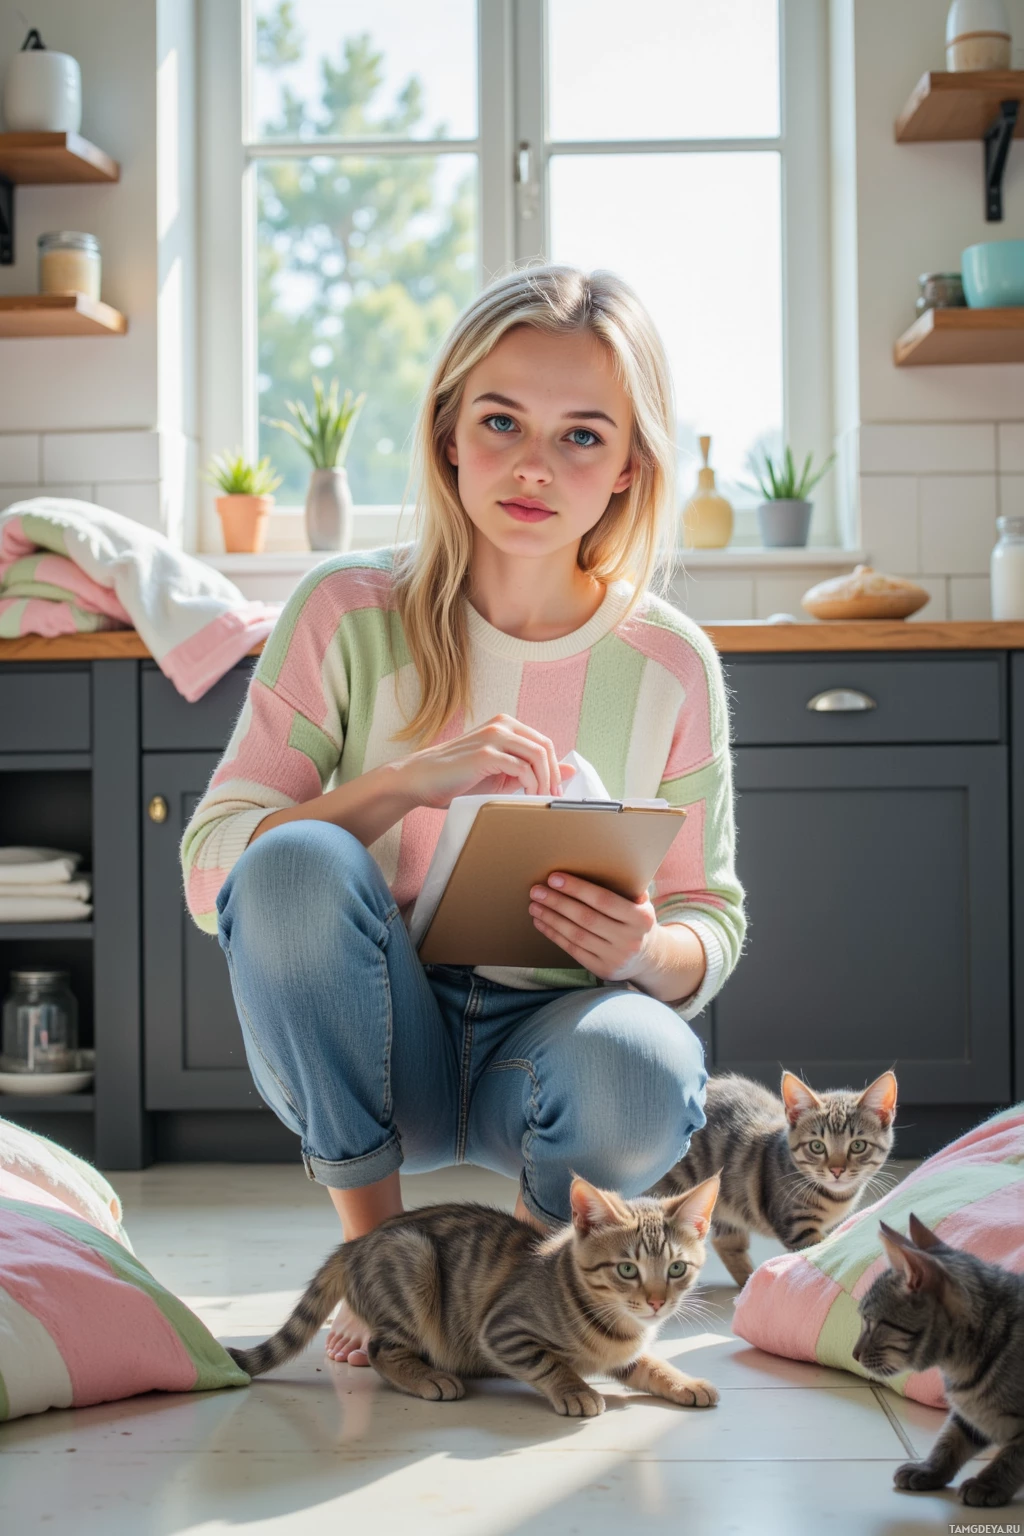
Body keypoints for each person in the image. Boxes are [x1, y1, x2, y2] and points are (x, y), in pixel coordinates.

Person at [180, 262, 746, 1367]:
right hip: (369, 1033)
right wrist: (401, 784)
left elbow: (707, 921)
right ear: (447, 433)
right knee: (293, 858)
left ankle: (517, 1292)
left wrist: (648, 947)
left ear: (631, 466)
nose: (534, 466)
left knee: (651, 1057)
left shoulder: (670, 662)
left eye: (582, 435)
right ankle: (381, 1268)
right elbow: (215, 875)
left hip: (547, 1049)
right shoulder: (348, 610)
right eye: (501, 421)